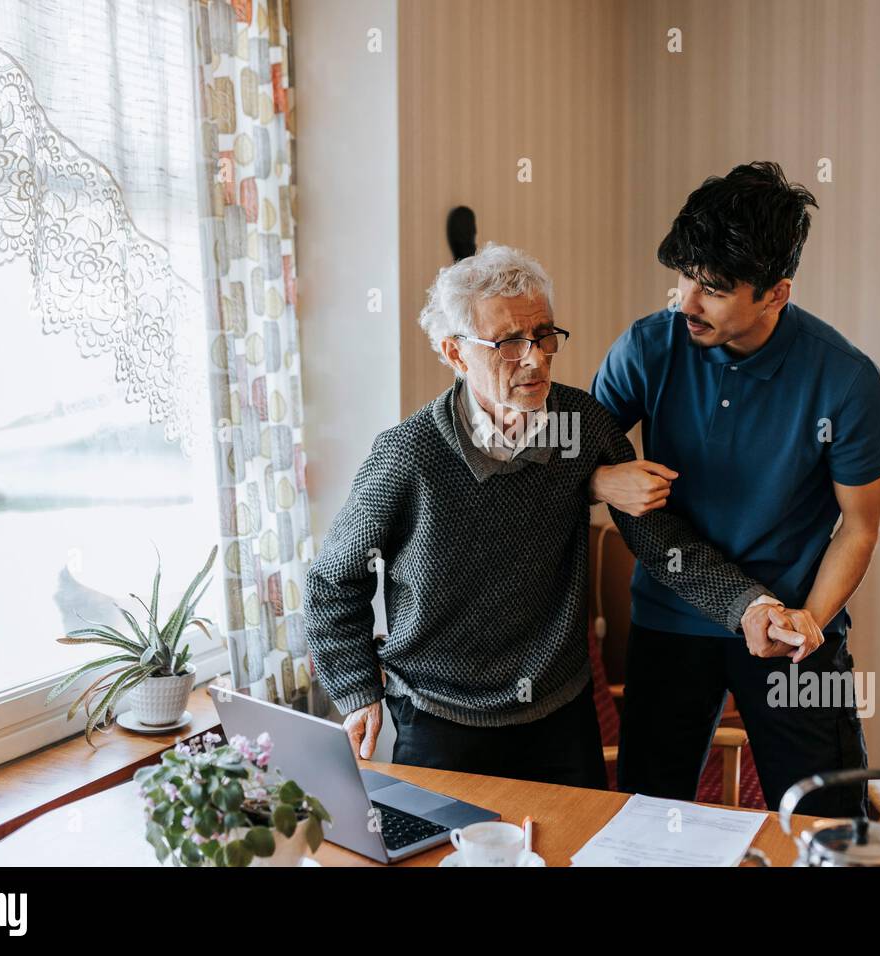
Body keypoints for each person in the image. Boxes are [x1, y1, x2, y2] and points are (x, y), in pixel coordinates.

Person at [304, 243, 779, 788]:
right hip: (441, 719)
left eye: (544, 335)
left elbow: (665, 546)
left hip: (559, 713)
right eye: (508, 343)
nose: (534, 358)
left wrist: (749, 606)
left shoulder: (584, 426)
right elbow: (333, 581)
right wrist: (357, 688)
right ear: (456, 353)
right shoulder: (407, 456)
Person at [591, 162, 880, 817]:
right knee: (646, 819)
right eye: (685, 277)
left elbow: (860, 526)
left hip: (792, 625)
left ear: (776, 293)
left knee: (830, 824)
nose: (688, 303)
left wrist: (812, 617)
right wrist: (601, 477)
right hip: (670, 622)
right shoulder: (646, 348)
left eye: (716, 289)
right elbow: (567, 462)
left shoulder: (845, 380)